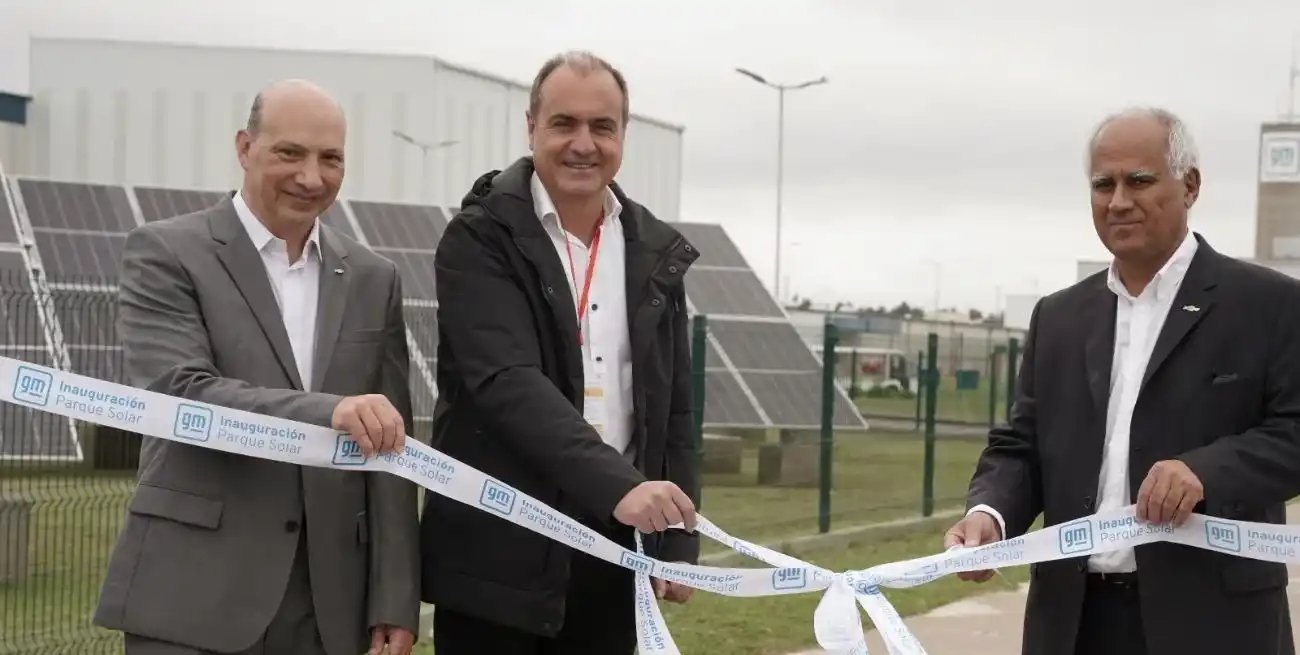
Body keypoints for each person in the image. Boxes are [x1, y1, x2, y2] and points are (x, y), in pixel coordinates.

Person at [946, 106, 1300, 655]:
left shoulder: (1269, 306)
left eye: (1139, 181)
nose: (1118, 201)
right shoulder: (1058, 317)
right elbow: (1022, 446)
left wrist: (1204, 471)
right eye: (1102, 184)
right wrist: (989, 515)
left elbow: (1294, 434)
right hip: (1073, 624)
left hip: (1216, 625)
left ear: (1190, 185)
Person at [93, 79, 421, 655]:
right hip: (194, 595)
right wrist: (333, 411)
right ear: (245, 148)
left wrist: (394, 598)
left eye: (331, 159)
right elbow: (181, 395)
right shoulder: (166, 252)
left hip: (329, 609)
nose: (311, 177)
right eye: (289, 153)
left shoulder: (375, 277)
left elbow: (391, 449)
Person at [423, 50, 701, 655]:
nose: (584, 144)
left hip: (613, 555)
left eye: (602, 127)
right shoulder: (478, 239)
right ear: (531, 128)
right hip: (498, 567)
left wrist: (678, 539)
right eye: (563, 124)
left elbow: (674, 406)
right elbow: (504, 381)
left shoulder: (653, 249)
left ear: (623, 135)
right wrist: (619, 485)